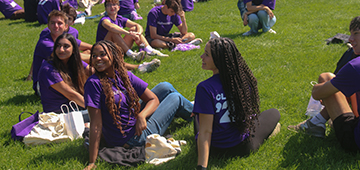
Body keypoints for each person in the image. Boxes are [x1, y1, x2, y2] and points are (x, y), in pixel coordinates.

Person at [83, 40, 193, 169]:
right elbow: (96, 124)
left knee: (165, 87)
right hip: (133, 138)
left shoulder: (123, 75)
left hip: (135, 120)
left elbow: (153, 99)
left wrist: (142, 116)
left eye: (102, 54)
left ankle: (188, 111)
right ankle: (197, 115)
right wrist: (92, 162)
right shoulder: (93, 84)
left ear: (114, 55)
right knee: (175, 98)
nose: (97, 59)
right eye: (94, 56)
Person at [193, 37, 280, 169]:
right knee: (274, 113)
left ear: (219, 60)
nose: (201, 56)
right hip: (242, 147)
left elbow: (205, 132)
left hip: (214, 149)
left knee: (197, 117)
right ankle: (268, 133)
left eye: (206, 54)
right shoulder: (243, 82)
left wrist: (202, 167)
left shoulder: (205, 88)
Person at [287, 16, 360, 152]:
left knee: (326, 78)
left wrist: (320, 89)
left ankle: (315, 123)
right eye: (350, 34)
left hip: (355, 141)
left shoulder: (356, 67)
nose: (350, 39)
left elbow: (317, 94)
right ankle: (317, 122)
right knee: (345, 88)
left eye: (356, 34)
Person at [28, 10, 91, 95]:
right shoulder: (45, 43)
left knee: (88, 52)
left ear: (66, 26)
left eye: (59, 23)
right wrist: (96, 57)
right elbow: (71, 56)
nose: (56, 26)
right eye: (53, 23)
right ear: (48, 26)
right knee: (81, 59)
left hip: (62, 76)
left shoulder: (65, 39)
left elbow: (91, 47)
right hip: (45, 84)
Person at [96, 0, 168, 62]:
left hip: (117, 49)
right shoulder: (104, 19)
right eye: (109, 5)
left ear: (118, 7)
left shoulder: (119, 18)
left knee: (134, 29)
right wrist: (129, 34)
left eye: (114, 4)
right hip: (104, 50)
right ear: (105, 9)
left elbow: (138, 26)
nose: (112, 7)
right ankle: (131, 55)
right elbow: (111, 27)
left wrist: (137, 34)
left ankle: (150, 50)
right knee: (113, 32)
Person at [38, 33, 92, 115]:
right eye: (58, 46)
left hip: (76, 106)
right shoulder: (48, 69)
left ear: (74, 50)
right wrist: (95, 108)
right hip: (60, 112)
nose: (61, 50)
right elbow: (71, 95)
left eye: (66, 46)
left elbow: (96, 74)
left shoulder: (75, 62)